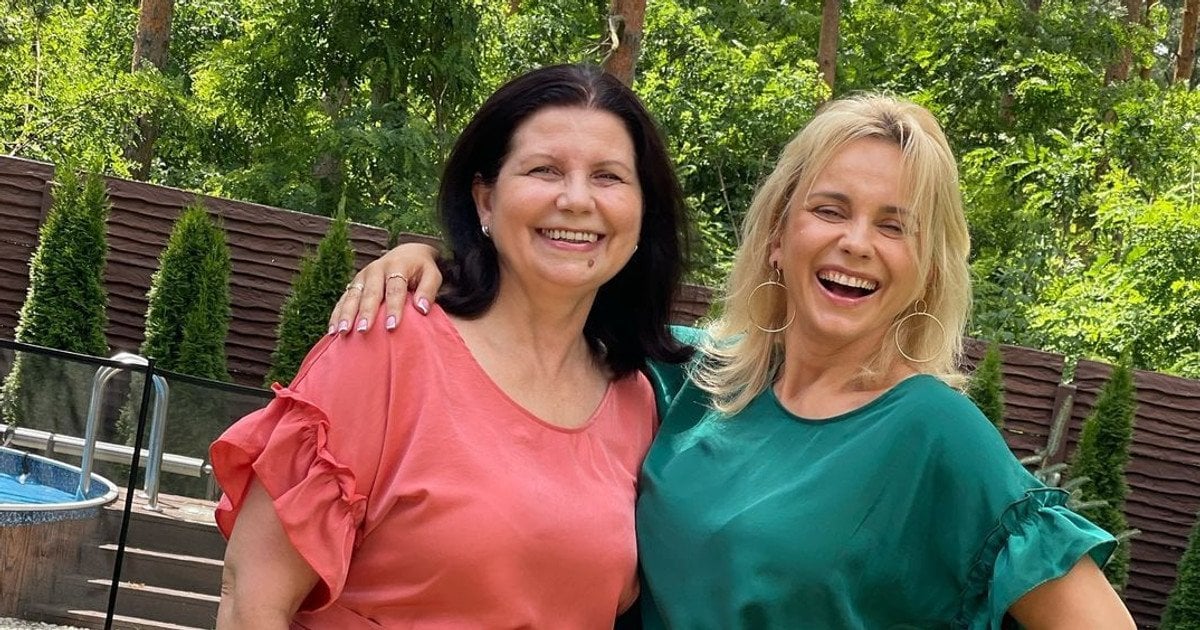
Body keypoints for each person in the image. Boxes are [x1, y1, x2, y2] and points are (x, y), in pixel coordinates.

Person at [332, 94, 1136, 628]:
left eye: (895, 225)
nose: (856, 242)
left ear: (926, 268)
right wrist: (435, 264)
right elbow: (538, 325)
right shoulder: (684, 377)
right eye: (830, 210)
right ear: (779, 236)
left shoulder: (937, 434)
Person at [210, 63, 692, 629]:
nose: (577, 199)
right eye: (544, 169)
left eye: (608, 176)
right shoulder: (388, 349)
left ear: (642, 213)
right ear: (485, 201)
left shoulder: (638, 400)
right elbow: (252, 599)